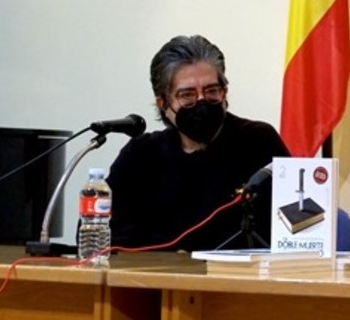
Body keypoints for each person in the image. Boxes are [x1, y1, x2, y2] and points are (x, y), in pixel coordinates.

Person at [107, 35, 290, 251]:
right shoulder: (141, 155)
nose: (201, 102)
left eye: (212, 91)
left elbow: (293, 226)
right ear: (163, 103)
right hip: (154, 279)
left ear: (225, 91)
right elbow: (107, 234)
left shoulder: (258, 141)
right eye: (188, 95)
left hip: (236, 280)